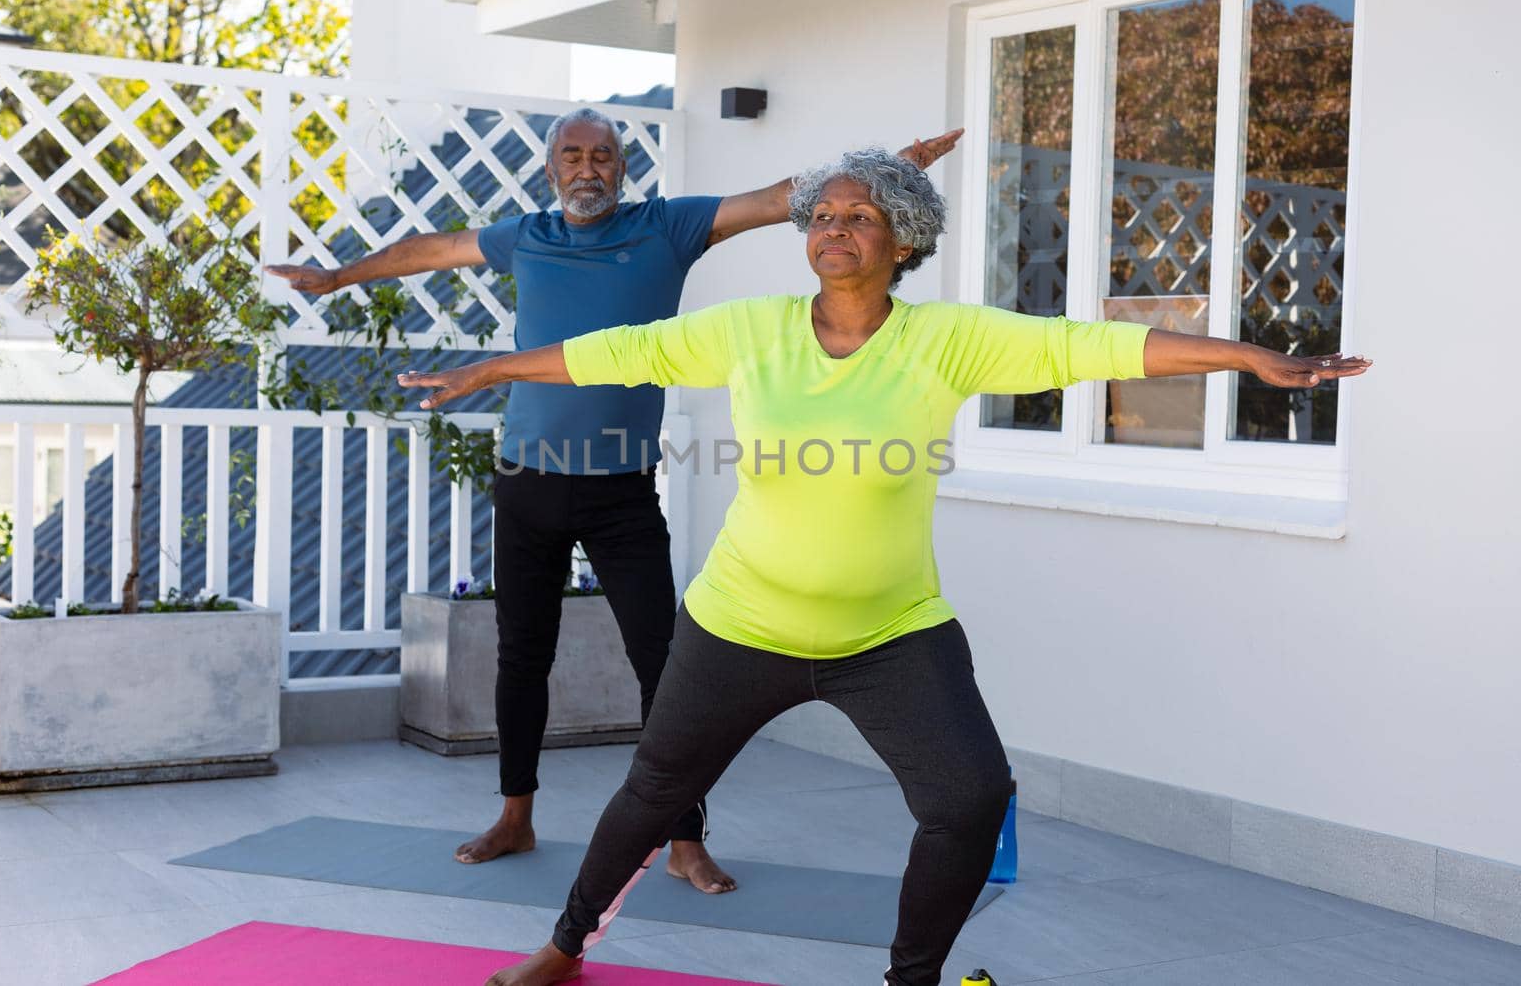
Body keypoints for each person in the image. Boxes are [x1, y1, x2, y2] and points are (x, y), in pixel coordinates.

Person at [397, 147, 1372, 986]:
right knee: (651, 793)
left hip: (890, 632)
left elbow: (1095, 345)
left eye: (857, 215)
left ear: (901, 238)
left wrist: (1246, 359)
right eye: (819, 215)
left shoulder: (945, 340)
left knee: (970, 796)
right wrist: (491, 370)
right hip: (739, 622)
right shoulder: (752, 329)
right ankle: (565, 945)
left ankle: (910, 978)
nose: (832, 227)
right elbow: (623, 349)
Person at [267, 110, 964, 895]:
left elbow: (783, 198)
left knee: (663, 665)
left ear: (624, 169)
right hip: (528, 478)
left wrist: (890, 167)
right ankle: (515, 813)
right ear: (551, 168)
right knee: (521, 654)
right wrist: (335, 277)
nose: (588, 166)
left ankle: (685, 838)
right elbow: (430, 249)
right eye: (573, 154)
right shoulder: (524, 235)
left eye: (604, 155)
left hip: (622, 490)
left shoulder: (669, 227)